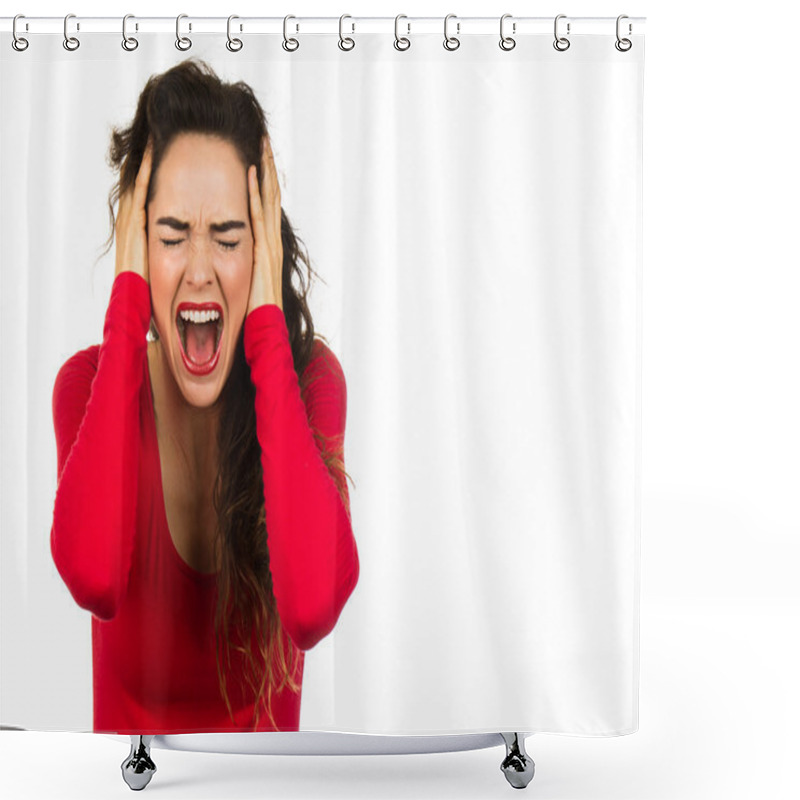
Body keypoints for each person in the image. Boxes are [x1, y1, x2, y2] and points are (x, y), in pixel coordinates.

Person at [49, 59, 359, 734]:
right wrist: (128, 302)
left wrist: (269, 328)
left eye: (227, 237)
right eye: (168, 236)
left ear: (263, 247)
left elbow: (310, 611)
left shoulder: (310, 385)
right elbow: (93, 577)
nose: (197, 269)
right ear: (136, 241)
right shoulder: (85, 387)